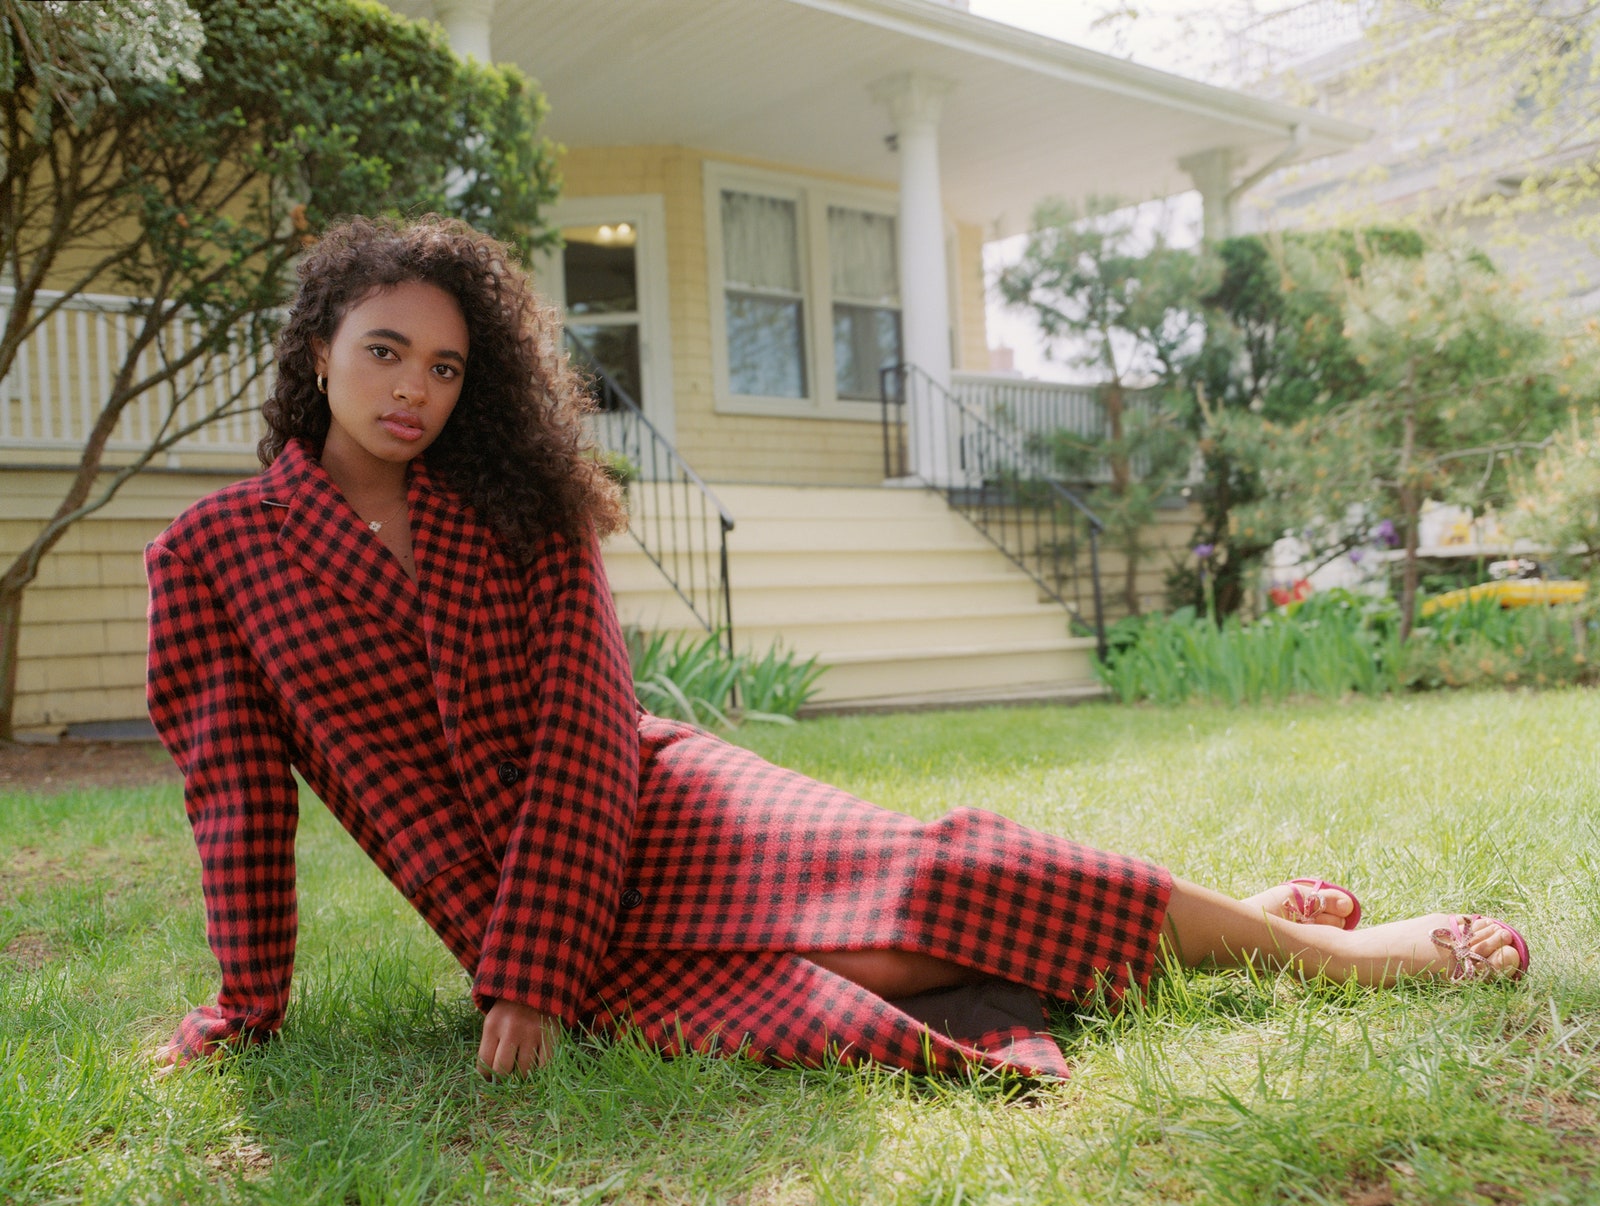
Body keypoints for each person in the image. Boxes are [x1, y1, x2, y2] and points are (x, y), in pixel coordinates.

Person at [146, 216, 1530, 1081]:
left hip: (647, 805)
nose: (414, 391)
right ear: (319, 346)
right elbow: (237, 806)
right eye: (386, 352)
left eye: (445, 367)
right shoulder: (211, 559)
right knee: (817, 986)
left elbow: (584, 728)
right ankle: (1220, 916)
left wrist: (530, 972)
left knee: (932, 881)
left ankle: (1334, 959)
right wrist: (245, 1006)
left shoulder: (525, 505)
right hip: (495, 897)